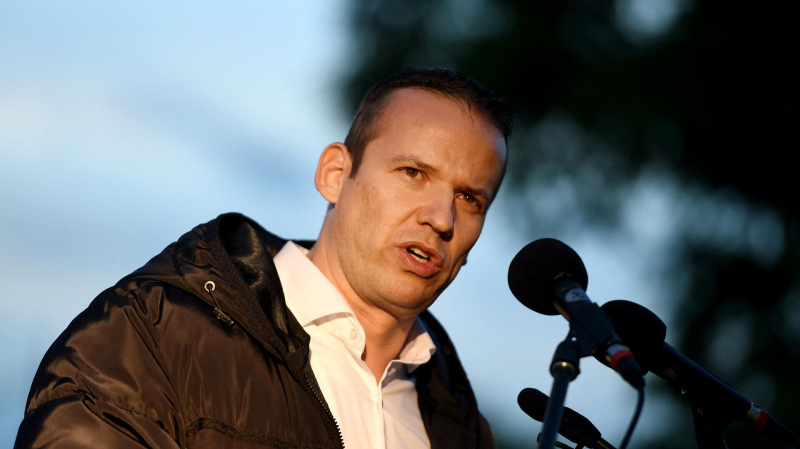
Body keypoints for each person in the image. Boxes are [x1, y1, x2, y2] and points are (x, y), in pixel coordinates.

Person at [16, 68, 512, 449]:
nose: (442, 217)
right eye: (413, 173)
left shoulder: (462, 426)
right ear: (335, 175)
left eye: (470, 198)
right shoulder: (153, 334)